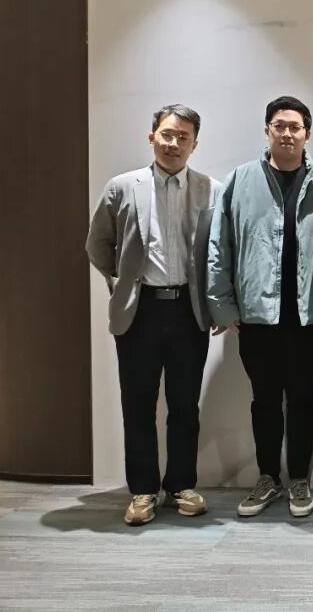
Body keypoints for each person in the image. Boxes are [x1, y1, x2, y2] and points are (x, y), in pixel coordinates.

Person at [86, 104, 220, 526]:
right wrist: (122, 282)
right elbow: (97, 243)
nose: (174, 143)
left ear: (195, 144)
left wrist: (217, 303)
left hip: (189, 310)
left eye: (183, 137)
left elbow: (219, 252)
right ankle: (143, 490)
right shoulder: (123, 186)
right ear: (151, 137)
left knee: (185, 405)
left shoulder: (210, 189)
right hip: (139, 310)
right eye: (167, 134)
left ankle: (181, 485)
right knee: (138, 404)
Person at [208, 95, 313, 519]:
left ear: (307, 134)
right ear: (267, 131)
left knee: (302, 396)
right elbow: (219, 246)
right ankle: (267, 477)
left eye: (295, 127)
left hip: (307, 314)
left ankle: (298, 478)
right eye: (279, 125)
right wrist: (224, 308)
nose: (287, 133)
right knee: (263, 398)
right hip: (255, 315)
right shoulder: (240, 179)